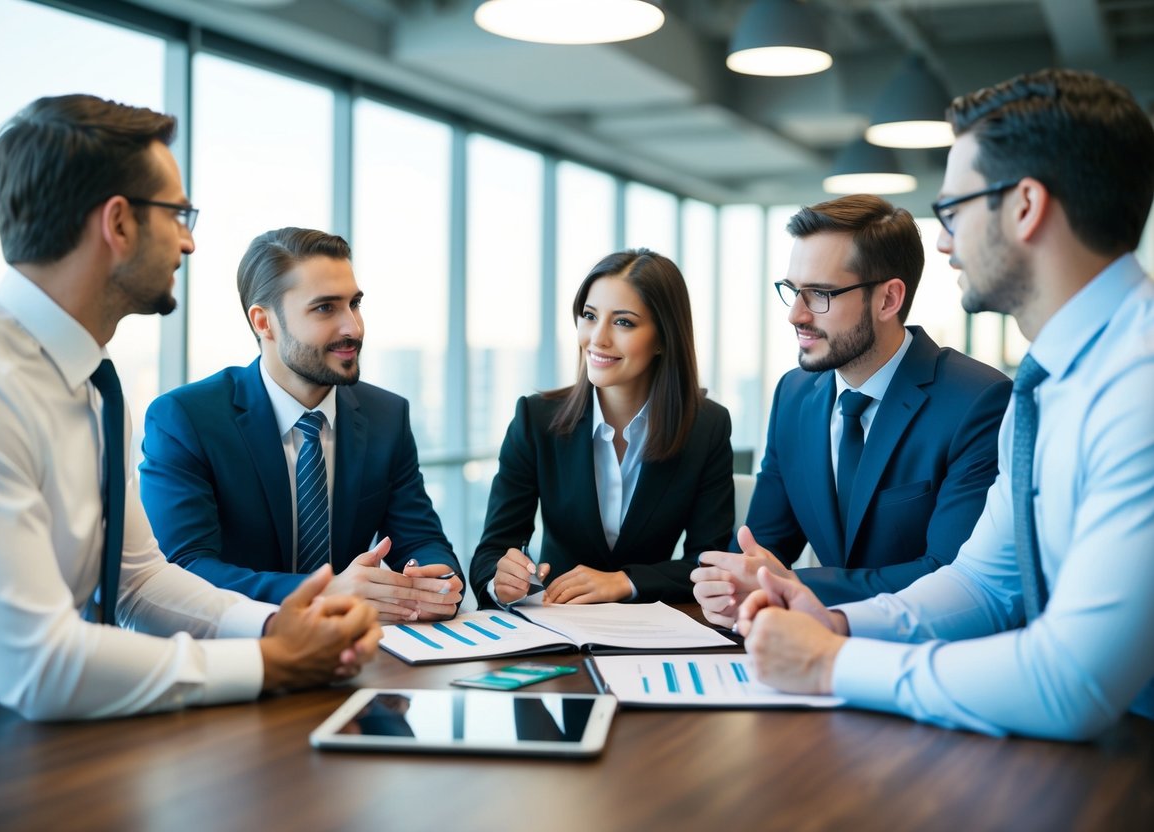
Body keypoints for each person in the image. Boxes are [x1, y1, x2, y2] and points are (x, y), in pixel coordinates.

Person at [735, 68, 1154, 740]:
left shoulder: (1139, 384)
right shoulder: (1041, 385)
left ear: (1023, 206)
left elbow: (1069, 683)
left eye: (952, 209)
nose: (941, 240)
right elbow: (984, 586)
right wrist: (835, 621)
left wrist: (833, 663)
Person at [0, 95, 381, 719]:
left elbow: (139, 580)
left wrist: (277, 626)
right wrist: (272, 663)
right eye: (176, 213)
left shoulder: (92, 380)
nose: (189, 240)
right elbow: (36, 665)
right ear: (118, 224)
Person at [692, 195, 1011, 621]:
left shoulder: (977, 401)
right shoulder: (793, 395)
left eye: (820, 294)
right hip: (800, 653)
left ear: (888, 300)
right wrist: (728, 584)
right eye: (792, 291)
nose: (796, 315)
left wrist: (793, 584)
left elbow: (950, 577)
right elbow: (761, 548)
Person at [140, 227, 463, 621]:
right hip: (235, 656)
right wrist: (325, 593)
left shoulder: (386, 416)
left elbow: (422, 540)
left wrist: (432, 579)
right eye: (326, 308)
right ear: (264, 322)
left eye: (354, 304)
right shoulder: (186, 419)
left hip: (357, 655)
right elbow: (184, 571)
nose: (353, 328)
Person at [470, 249, 734, 607]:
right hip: (557, 628)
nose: (598, 338)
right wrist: (500, 579)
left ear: (663, 337)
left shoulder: (707, 427)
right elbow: (491, 552)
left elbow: (709, 563)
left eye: (623, 322)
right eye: (590, 316)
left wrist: (626, 582)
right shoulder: (536, 419)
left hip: (653, 633)